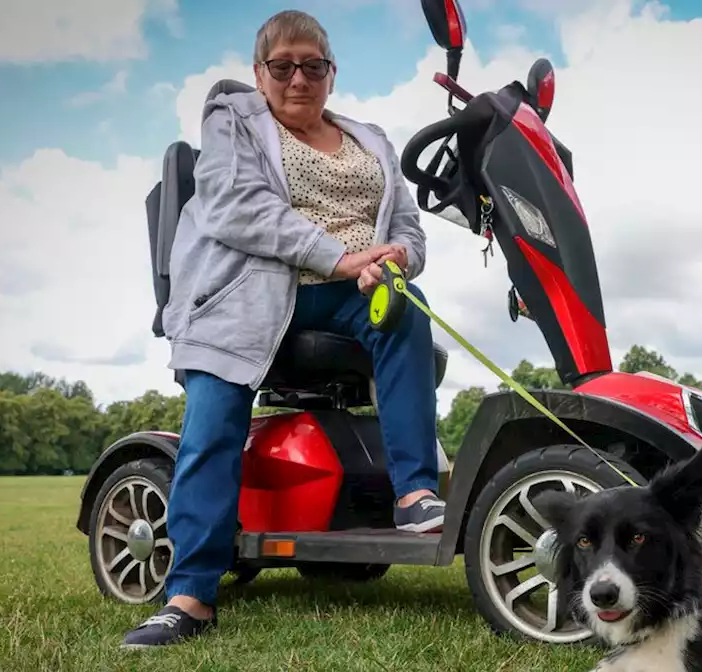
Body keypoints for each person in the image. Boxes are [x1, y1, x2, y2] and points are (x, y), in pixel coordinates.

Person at [121, 9, 445, 648]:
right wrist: (341, 254)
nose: (299, 78)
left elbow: (407, 226)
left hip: (353, 294)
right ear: (259, 72)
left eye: (313, 66)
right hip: (245, 296)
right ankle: (189, 594)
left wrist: (397, 257)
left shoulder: (371, 140)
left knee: (409, 308)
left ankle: (415, 495)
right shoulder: (232, 122)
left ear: (331, 72)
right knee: (213, 422)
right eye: (283, 66)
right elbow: (238, 209)